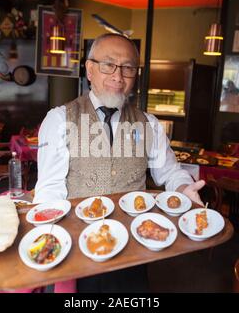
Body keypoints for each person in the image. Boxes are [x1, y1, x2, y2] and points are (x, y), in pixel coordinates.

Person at [33, 33, 206, 291]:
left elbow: (170, 172)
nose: (118, 76)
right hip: (79, 246)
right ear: (90, 70)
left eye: (128, 68)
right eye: (108, 65)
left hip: (133, 246)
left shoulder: (150, 124)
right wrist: (48, 238)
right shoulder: (59, 120)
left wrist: (183, 188)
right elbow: (49, 189)